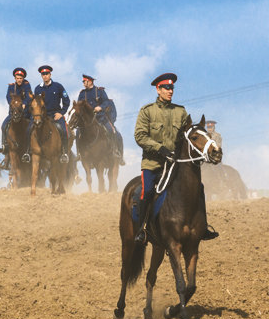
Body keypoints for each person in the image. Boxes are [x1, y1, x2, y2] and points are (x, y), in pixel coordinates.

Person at [134, 73, 218, 243]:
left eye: (172, 88)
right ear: (158, 89)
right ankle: (141, 229)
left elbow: (186, 137)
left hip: (174, 163)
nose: (170, 91)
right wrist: (160, 149)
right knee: (148, 190)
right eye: (166, 88)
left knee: (198, 187)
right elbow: (140, 136)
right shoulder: (147, 111)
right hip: (153, 163)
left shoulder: (180, 111)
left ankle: (203, 227)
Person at [77, 75, 125, 165]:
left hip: (101, 118)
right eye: (83, 82)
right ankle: (79, 153)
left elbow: (107, 102)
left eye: (85, 81)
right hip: (88, 121)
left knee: (113, 131)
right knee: (77, 132)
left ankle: (116, 152)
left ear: (90, 81)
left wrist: (100, 107)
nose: (83, 83)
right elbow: (79, 105)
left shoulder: (99, 91)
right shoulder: (82, 93)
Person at [29, 65, 71, 163]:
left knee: (64, 131)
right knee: (29, 129)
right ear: (41, 76)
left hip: (55, 115)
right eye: (43, 74)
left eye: (47, 74)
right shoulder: (37, 89)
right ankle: (28, 152)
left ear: (50, 74)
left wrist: (61, 113)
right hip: (41, 116)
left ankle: (64, 153)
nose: (45, 76)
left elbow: (66, 101)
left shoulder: (58, 86)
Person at [0, 68, 33, 163]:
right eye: (17, 78)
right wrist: (14, 104)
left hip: (25, 113)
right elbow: (8, 97)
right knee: (4, 126)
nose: (19, 80)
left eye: (21, 78)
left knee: (32, 127)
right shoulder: (11, 87)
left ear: (23, 78)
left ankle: (31, 148)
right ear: (15, 78)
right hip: (13, 113)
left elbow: (28, 96)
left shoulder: (27, 85)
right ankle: (5, 147)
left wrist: (24, 104)